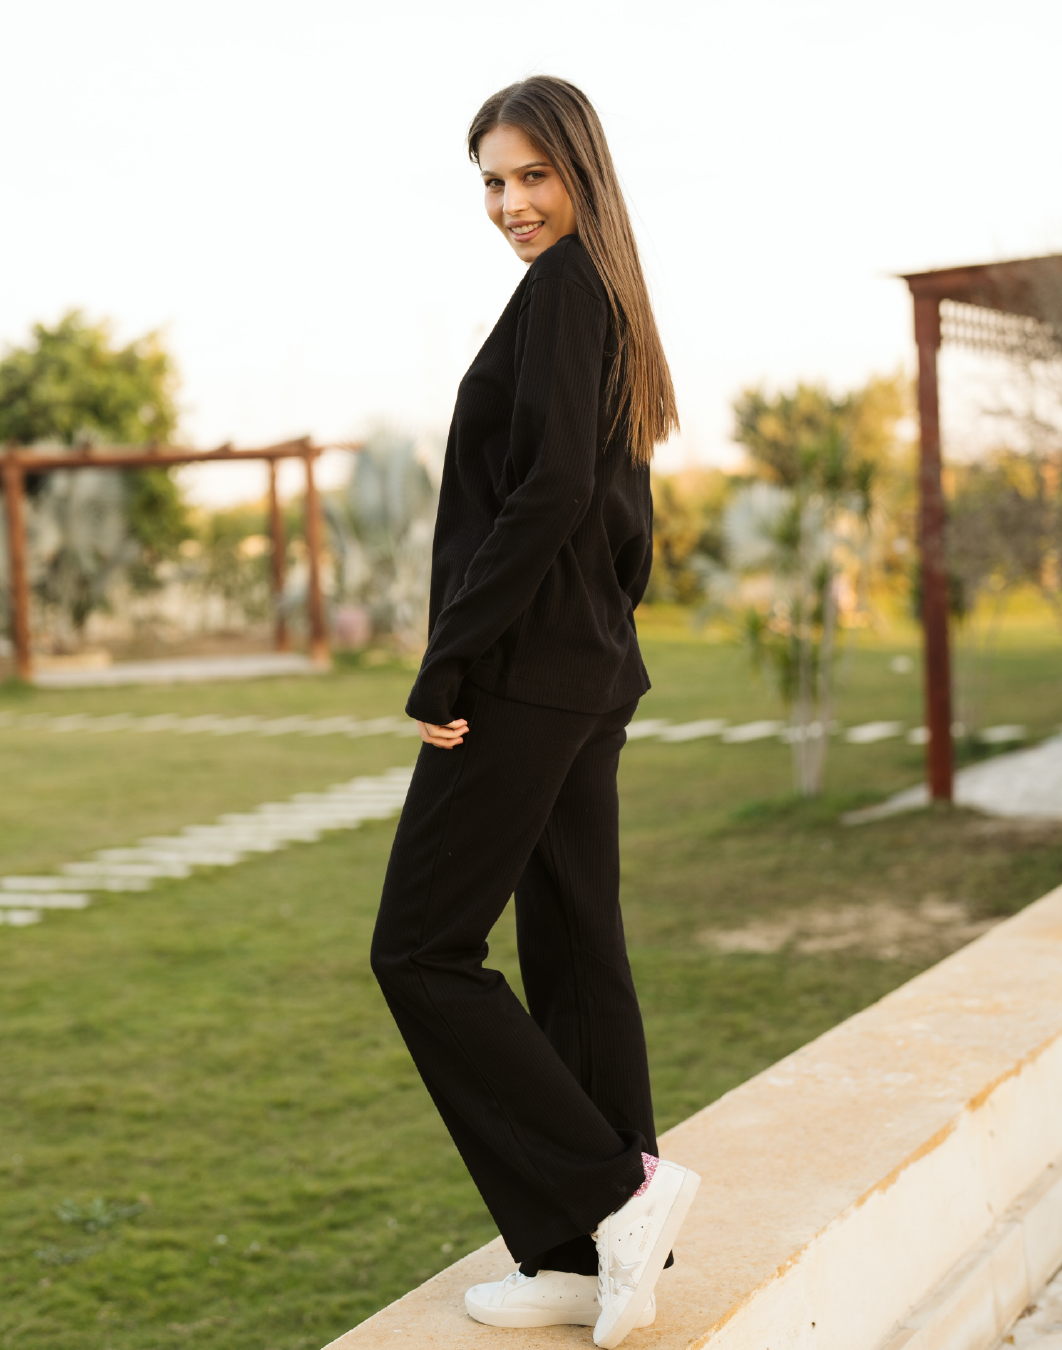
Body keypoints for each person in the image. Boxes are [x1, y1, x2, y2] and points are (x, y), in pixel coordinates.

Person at [370, 75, 700, 1349]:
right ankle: (583, 1255)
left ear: (581, 173)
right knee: (572, 947)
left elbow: (553, 489)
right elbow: (623, 518)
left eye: (531, 176)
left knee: (420, 950)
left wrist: (450, 658)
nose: (510, 203)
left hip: (520, 675)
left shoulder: (566, 290)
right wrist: (599, 629)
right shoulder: (603, 293)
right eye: (493, 183)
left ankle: (615, 1190)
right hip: (583, 670)